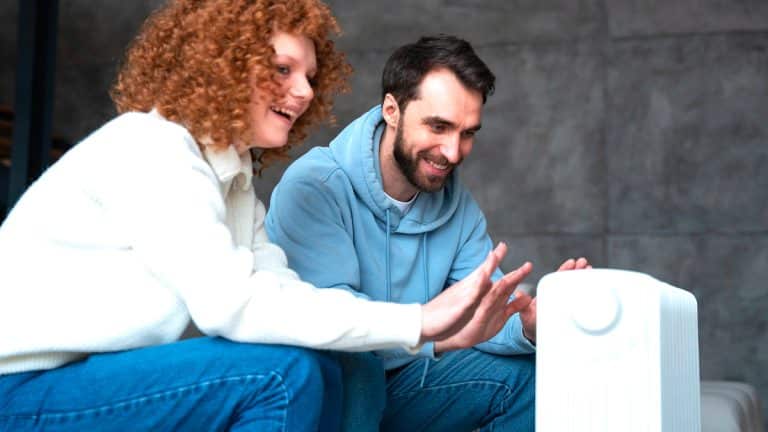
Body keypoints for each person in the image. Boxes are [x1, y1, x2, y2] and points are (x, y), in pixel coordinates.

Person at [0, 4, 533, 431]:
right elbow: (229, 305)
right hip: (23, 391)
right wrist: (419, 323)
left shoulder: (231, 179)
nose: (304, 91)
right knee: (283, 374)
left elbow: (284, 292)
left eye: (309, 75)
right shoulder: (154, 148)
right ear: (223, 67)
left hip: (91, 380)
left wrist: (439, 330)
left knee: (318, 362)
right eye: (282, 70)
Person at [266, 34, 591, 431]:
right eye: (439, 126)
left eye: (467, 133)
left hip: (407, 385)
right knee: (359, 365)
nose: (453, 152)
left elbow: (479, 313)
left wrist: (528, 323)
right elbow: (333, 324)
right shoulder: (314, 187)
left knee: (530, 378)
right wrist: (434, 332)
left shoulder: (457, 207)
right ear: (391, 110)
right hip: (326, 394)